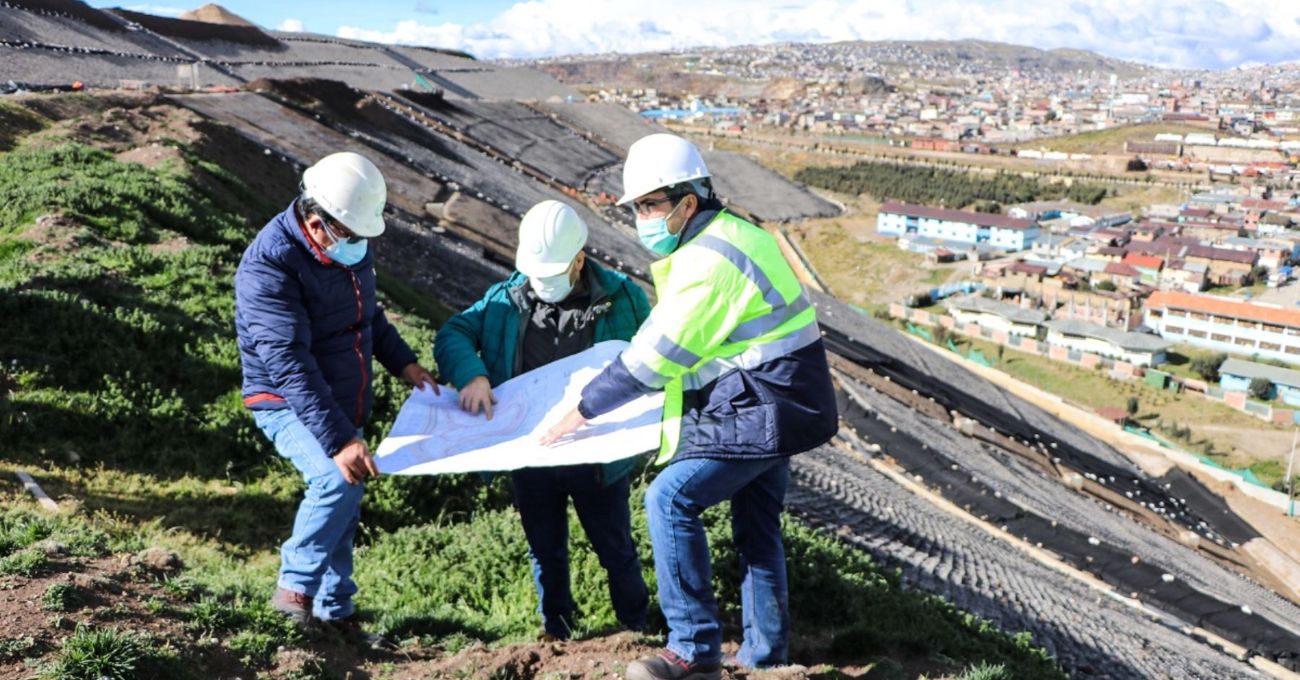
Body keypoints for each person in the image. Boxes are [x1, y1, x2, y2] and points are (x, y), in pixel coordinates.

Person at [541, 134, 838, 679]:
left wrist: (579, 411)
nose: (643, 217)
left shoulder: (708, 261)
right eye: (638, 207)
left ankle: (693, 649)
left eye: (653, 205)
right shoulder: (736, 234)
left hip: (765, 407)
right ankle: (766, 658)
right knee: (758, 529)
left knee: (668, 499)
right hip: (786, 399)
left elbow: (656, 358)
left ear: (689, 201)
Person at [234, 151, 437, 646]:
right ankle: (293, 595)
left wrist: (405, 364)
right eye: (347, 234)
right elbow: (288, 363)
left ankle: (335, 610)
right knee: (336, 479)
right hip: (284, 399)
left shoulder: (348, 244)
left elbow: (369, 315)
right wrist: (339, 438)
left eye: (361, 236)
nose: (357, 245)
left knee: (346, 500)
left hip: (340, 398)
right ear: (314, 218)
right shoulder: (269, 267)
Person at [434, 199, 652, 640]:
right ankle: (558, 630)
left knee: (615, 548)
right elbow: (454, 332)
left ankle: (637, 624)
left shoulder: (625, 299)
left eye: (554, 274)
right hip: (532, 453)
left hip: (597, 453)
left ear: (579, 259)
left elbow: (654, 356)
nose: (544, 283)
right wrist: (471, 375)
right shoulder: (505, 299)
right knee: (545, 549)